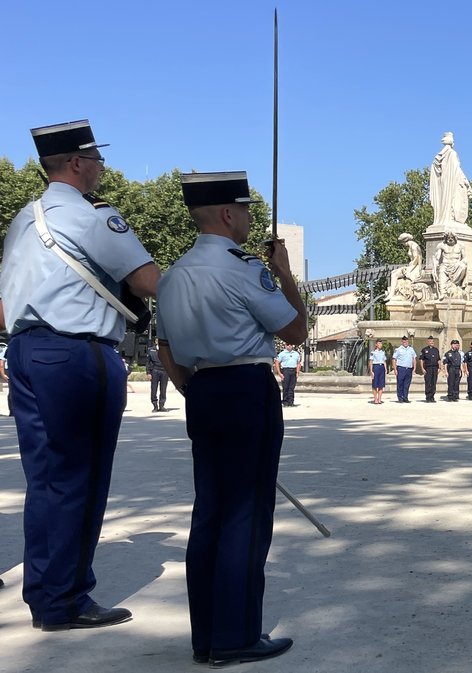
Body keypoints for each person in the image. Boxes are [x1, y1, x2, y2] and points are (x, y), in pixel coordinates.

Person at [1, 120, 160, 631]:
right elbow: (148, 280)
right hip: (75, 354)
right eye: (97, 159)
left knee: (45, 479)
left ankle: (45, 594)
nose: (102, 168)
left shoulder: (24, 220)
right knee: (81, 479)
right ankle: (67, 600)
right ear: (76, 162)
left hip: (25, 351)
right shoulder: (95, 219)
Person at [156, 170, 303, 665]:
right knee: (247, 512)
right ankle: (236, 635)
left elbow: (166, 347)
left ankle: (206, 636)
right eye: (244, 211)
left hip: (203, 390)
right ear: (226, 213)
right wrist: (282, 272)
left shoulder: (173, 275)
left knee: (210, 512)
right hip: (245, 389)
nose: (247, 219)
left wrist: (191, 388)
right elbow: (296, 331)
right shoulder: (244, 269)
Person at [433, 233, 468, 299]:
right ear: (446, 238)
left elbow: (465, 258)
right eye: (448, 237)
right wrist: (435, 265)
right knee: (441, 270)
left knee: (463, 266)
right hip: (445, 265)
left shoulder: (460, 246)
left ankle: (455, 284)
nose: (450, 239)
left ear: (455, 238)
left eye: (452, 237)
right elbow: (437, 257)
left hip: (456, 265)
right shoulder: (441, 245)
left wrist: (462, 262)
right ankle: (442, 293)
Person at [391, 335, 416, 403]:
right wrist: (395, 369)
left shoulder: (411, 349)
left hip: (409, 369)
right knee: (400, 384)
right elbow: (394, 359)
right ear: (402, 341)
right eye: (404, 341)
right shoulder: (398, 350)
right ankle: (400, 397)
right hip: (401, 368)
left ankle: (405, 397)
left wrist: (414, 368)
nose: (406, 342)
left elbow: (414, 358)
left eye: (407, 341)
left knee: (407, 384)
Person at [147, 337, 169, 411]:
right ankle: (155, 406)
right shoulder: (151, 350)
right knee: (154, 389)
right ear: (155, 342)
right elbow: (148, 362)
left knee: (163, 389)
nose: (159, 342)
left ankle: (162, 405)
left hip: (164, 371)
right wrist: (148, 373)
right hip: (155, 371)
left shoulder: (167, 350)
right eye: (157, 340)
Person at [418, 336, 440, 402]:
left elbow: (438, 359)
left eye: (432, 341)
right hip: (428, 368)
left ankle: (432, 397)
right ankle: (428, 397)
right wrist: (422, 368)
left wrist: (440, 368)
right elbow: (421, 360)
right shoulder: (424, 350)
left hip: (435, 368)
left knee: (433, 383)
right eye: (430, 341)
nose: (432, 342)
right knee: (428, 383)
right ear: (427, 342)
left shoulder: (436, 350)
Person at [369, 340, 387, 405]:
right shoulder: (373, 352)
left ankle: (379, 399)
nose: (380, 345)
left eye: (381, 343)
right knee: (375, 384)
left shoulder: (383, 352)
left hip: (381, 367)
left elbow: (384, 361)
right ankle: (375, 399)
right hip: (376, 367)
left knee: (381, 384)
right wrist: (371, 371)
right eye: (379, 343)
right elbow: (371, 361)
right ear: (376, 344)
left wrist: (385, 369)